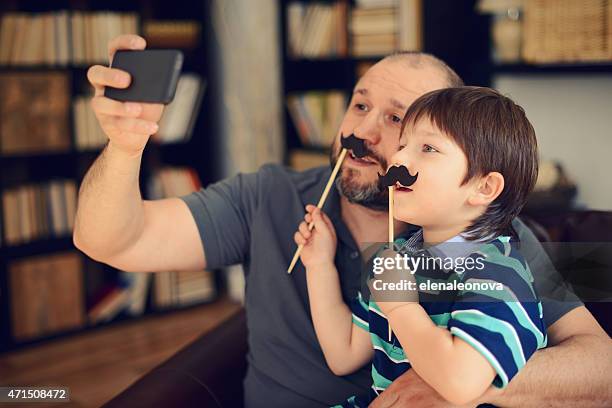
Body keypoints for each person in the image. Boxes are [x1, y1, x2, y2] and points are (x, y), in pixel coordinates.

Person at [75, 34, 611, 407]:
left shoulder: (494, 237)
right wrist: (125, 146)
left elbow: (603, 371)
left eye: (399, 121)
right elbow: (111, 243)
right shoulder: (268, 195)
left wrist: (470, 383)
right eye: (359, 105)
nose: (364, 132)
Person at [294, 86, 546, 406]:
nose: (397, 158)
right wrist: (318, 266)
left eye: (427, 147)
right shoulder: (397, 256)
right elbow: (343, 354)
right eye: (402, 145)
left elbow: (460, 384)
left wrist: (400, 306)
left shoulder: (499, 274)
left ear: (484, 187)